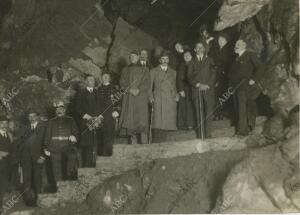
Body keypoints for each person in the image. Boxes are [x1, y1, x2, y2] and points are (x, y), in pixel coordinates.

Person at [228, 39, 262, 136]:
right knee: (238, 108)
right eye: (235, 44)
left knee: (243, 108)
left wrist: (254, 79)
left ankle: (242, 131)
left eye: (238, 44)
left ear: (244, 46)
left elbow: (261, 67)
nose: (236, 46)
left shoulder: (250, 55)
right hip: (235, 87)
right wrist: (230, 88)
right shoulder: (236, 59)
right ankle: (242, 129)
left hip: (245, 86)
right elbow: (231, 75)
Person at [44, 101, 79, 192]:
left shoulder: (70, 120)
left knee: (68, 169)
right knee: (56, 171)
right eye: (57, 109)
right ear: (55, 111)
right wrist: (46, 148)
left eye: (61, 109)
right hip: (54, 148)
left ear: (64, 110)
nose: (59, 111)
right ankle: (60, 191)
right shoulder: (51, 122)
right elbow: (47, 136)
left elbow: (76, 132)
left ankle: (68, 188)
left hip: (68, 147)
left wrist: (74, 136)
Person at [119, 50, 151, 144]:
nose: (132, 58)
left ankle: (144, 144)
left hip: (140, 97)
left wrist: (139, 89)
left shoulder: (145, 69)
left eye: (134, 56)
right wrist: (129, 90)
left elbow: (147, 82)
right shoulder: (125, 69)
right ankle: (133, 144)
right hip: (129, 98)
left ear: (138, 57)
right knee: (130, 120)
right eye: (131, 56)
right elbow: (122, 82)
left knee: (141, 120)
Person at [188, 42, 216, 139]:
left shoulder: (210, 60)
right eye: (197, 47)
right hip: (197, 90)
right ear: (194, 50)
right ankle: (201, 134)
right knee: (198, 112)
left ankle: (208, 134)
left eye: (201, 47)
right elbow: (189, 76)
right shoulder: (191, 62)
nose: (199, 49)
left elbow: (213, 74)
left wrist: (207, 85)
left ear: (204, 49)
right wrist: (198, 85)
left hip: (208, 89)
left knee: (208, 111)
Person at [19, 110, 46, 206]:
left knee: (37, 178)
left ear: (37, 116)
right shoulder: (24, 128)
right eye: (29, 116)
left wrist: (43, 156)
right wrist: (21, 157)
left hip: (38, 157)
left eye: (33, 116)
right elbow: (20, 143)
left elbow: (46, 143)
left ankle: (40, 200)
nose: (31, 118)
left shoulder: (43, 127)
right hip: (26, 159)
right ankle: (29, 201)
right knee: (26, 179)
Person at [150, 50, 178, 143]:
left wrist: (176, 94)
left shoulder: (173, 72)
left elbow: (174, 86)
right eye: (163, 59)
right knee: (158, 122)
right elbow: (149, 87)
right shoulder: (153, 71)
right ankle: (156, 143)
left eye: (167, 59)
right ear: (159, 60)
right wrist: (150, 97)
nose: (165, 60)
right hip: (158, 98)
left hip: (169, 98)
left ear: (169, 60)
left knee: (167, 122)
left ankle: (164, 143)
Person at [76, 75, 101, 167]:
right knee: (87, 148)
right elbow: (77, 108)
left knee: (97, 145)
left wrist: (99, 116)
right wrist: (88, 117)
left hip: (97, 123)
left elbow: (101, 106)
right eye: (89, 80)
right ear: (86, 81)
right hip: (86, 124)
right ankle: (87, 169)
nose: (91, 81)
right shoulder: (81, 93)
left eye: (93, 80)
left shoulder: (97, 92)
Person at [97, 73, 120, 156]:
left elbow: (118, 101)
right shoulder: (98, 89)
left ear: (110, 78)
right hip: (100, 114)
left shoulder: (114, 88)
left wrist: (116, 110)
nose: (105, 78)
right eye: (104, 77)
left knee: (109, 133)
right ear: (101, 78)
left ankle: (109, 153)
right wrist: (97, 113)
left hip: (110, 114)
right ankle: (101, 153)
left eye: (107, 76)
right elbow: (96, 102)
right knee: (101, 133)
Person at [214, 33, 234, 120]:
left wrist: (223, 71)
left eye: (222, 40)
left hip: (224, 76)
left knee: (224, 94)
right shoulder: (217, 50)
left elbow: (229, 63)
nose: (220, 41)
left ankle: (224, 113)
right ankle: (218, 113)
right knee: (217, 94)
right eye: (219, 40)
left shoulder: (229, 51)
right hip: (217, 75)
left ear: (226, 41)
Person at [176, 50, 195, 130]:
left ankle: (191, 124)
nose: (186, 57)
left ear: (191, 56)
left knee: (191, 107)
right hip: (184, 89)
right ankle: (182, 124)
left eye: (188, 55)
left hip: (193, 89)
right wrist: (180, 89)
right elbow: (178, 79)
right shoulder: (181, 65)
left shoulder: (194, 64)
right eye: (185, 56)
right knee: (183, 107)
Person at [0, 116, 13, 210]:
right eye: (2, 123)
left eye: (6, 123)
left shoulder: (9, 134)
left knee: (3, 184)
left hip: (7, 164)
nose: (4, 125)